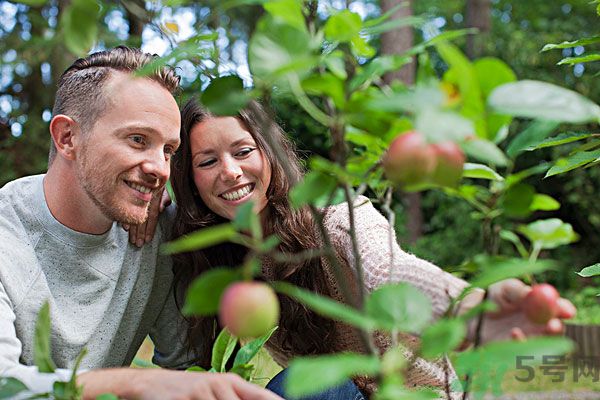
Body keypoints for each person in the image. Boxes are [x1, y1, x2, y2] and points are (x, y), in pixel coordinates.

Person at [166, 98, 576, 399]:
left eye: (243, 151)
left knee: (302, 384)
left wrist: (473, 311)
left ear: (269, 153)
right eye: (207, 162)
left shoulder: (334, 220)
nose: (231, 172)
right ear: (190, 180)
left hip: (418, 396)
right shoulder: (226, 265)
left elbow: (387, 273)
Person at [0, 47, 282, 400]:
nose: (160, 169)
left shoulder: (156, 233)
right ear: (67, 138)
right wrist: (136, 383)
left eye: (168, 150)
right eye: (138, 140)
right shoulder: (7, 237)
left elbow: (190, 368)